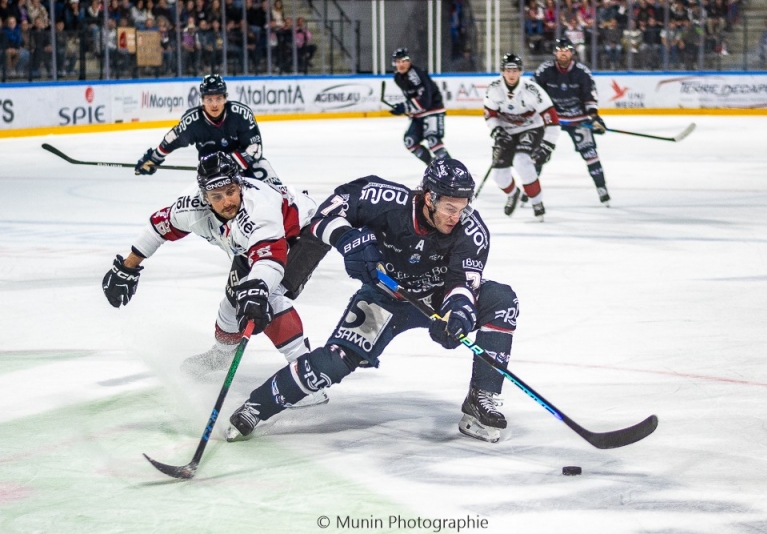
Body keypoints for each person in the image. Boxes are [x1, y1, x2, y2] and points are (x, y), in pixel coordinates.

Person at [225, 158, 519, 444]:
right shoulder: (384, 199)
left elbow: (462, 283)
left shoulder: (471, 230)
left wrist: (459, 316)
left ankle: (480, 399)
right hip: (384, 297)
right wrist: (347, 238)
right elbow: (324, 216)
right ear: (429, 198)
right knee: (333, 363)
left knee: (501, 300)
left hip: (437, 299)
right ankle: (257, 407)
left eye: (462, 208)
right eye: (449, 208)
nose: (456, 216)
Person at [102, 152, 329, 406]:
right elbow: (159, 227)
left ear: (239, 184)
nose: (227, 202)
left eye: (231, 191)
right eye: (216, 196)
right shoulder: (192, 208)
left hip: (304, 230)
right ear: (204, 197)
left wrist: (258, 288)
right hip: (251, 246)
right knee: (232, 304)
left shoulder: (259, 209)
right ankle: (222, 355)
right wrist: (128, 267)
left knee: (268, 297)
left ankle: (308, 377)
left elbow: (270, 259)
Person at [134, 74, 280, 186]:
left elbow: (255, 149)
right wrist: (154, 159)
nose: (214, 104)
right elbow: (172, 140)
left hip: (246, 167)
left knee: (273, 186)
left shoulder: (240, 114)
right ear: (202, 100)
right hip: (212, 173)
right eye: (209, 99)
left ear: (225, 99)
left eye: (218, 98)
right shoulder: (192, 121)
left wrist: (229, 163)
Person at [534, 37, 611, 206]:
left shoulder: (582, 72)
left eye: (567, 50)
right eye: (560, 50)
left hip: (578, 119)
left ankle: (602, 188)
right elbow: (534, 94)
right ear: (555, 52)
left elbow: (590, 97)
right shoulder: (544, 71)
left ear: (572, 53)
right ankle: (530, 190)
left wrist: (595, 117)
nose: (563, 53)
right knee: (540, 154)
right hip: (552, 120)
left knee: (590, 154)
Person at [484, 53, 559, 221]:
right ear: (502, 71)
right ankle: (513, 194)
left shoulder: (532, 91)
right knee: (498, 176)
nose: (511, 74)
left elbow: (552, 121)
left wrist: (548, 146)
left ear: (521, 72)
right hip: (506, 133)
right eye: (508, 70)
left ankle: (537, 202)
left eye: (515, 70)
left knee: (522, 161)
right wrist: (496, 130)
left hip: (530, 129)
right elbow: (490, 114)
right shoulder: (494, 89)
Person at [389, 47, 451, 165]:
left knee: (433, 140)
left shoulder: (415, 74)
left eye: (403, 61)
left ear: (409, 61)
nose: (400, 64)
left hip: (432, 110)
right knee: (410, 141)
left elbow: (425, 101)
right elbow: (413, 98)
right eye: (398, 62)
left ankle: (452, 171)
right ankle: (433, 167)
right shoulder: (398, 77)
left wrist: (405, 107)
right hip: (418, 115)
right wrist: (404, 107)